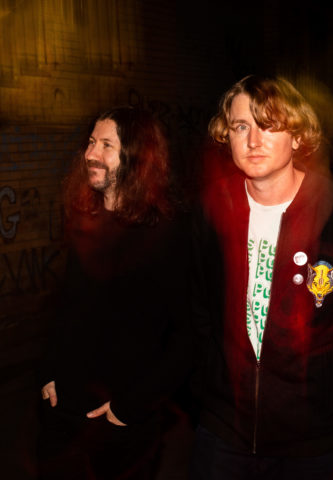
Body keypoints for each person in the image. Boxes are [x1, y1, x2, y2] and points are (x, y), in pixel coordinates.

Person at [190, 75, 333, 479]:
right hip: (224, 431)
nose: (253, 140)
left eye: (269, 125)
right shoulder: (212, 209)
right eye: (241, 126)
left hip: (311, 441)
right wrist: (207, 391)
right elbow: (196, 310)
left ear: (297, 135)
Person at [38, 106, 191, 479]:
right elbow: (64, 306)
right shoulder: (86, 220)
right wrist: (50, 371)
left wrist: (130, 407)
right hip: (64, 413)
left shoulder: (167, 236)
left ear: (137, 157)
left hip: (123, 424)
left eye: (107, 145)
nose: (91, 154)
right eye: (91, 142)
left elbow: (188, 336)